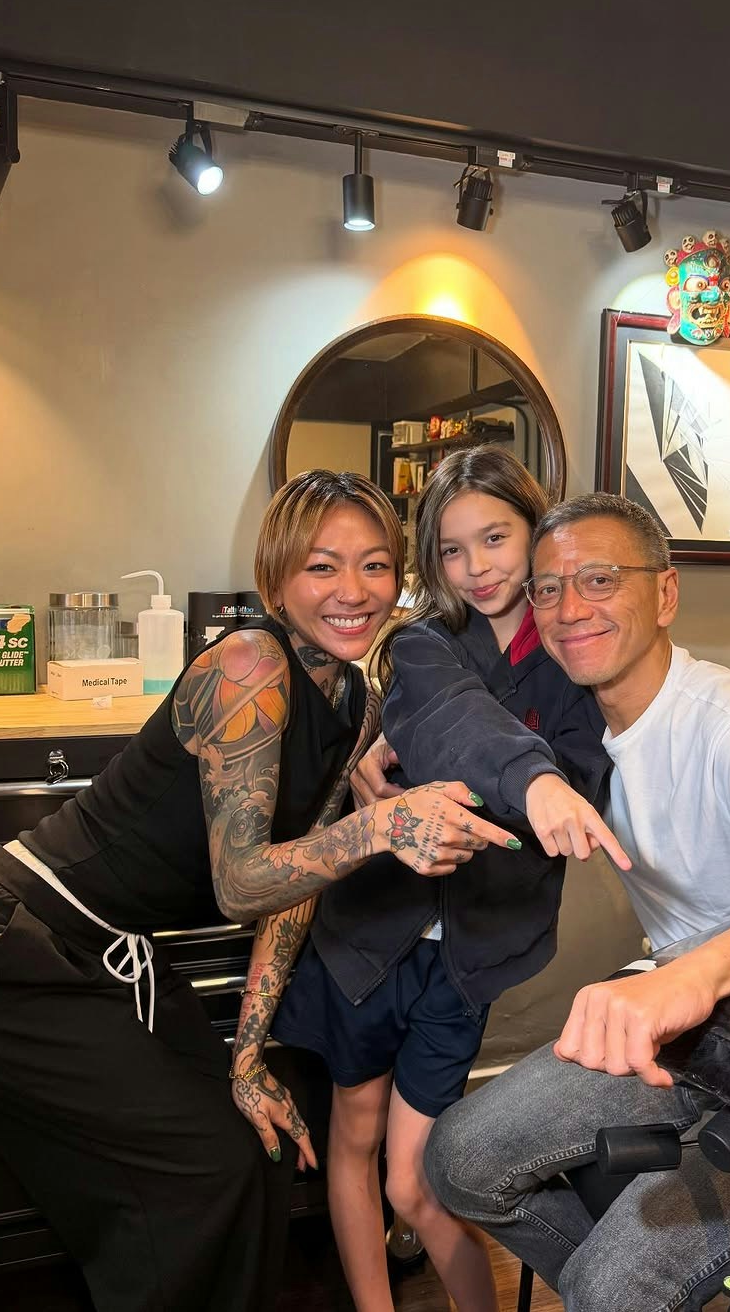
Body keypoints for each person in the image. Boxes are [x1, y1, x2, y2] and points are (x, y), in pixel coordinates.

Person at [0, 470, 510, 1312]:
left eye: (374, 565)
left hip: (108, 956)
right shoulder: (248, 666)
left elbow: (293, 886)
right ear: (275, 578)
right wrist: (382, 827)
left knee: (255, 1143)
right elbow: (243, 881)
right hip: (10, 945)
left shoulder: (354, 701)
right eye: (322, 566)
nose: (353, 591)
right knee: (203, 1168)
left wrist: (247, 1057)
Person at [424, 491, 730, 1312]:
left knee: (614, 1288)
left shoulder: (728, 721)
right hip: (690, 1034)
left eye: (600, 580)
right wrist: (379, 757)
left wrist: (694, 974)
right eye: (548, 589)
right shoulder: (570, 728)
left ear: (665, 594)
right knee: (458, 1160)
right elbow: (454, 711)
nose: (569, 609)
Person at [257, 447, 627, 1312]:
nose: (477, 567)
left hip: (466, 961)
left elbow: (581, 780)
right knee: (353, 1137)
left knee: (416, 1183)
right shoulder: (423, 646)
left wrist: (539, 790)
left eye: (495, 538)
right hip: (369, 937)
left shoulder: (573, 654)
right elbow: (453, 719)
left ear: (536, 529)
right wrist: (527, 784)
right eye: (452, 551)